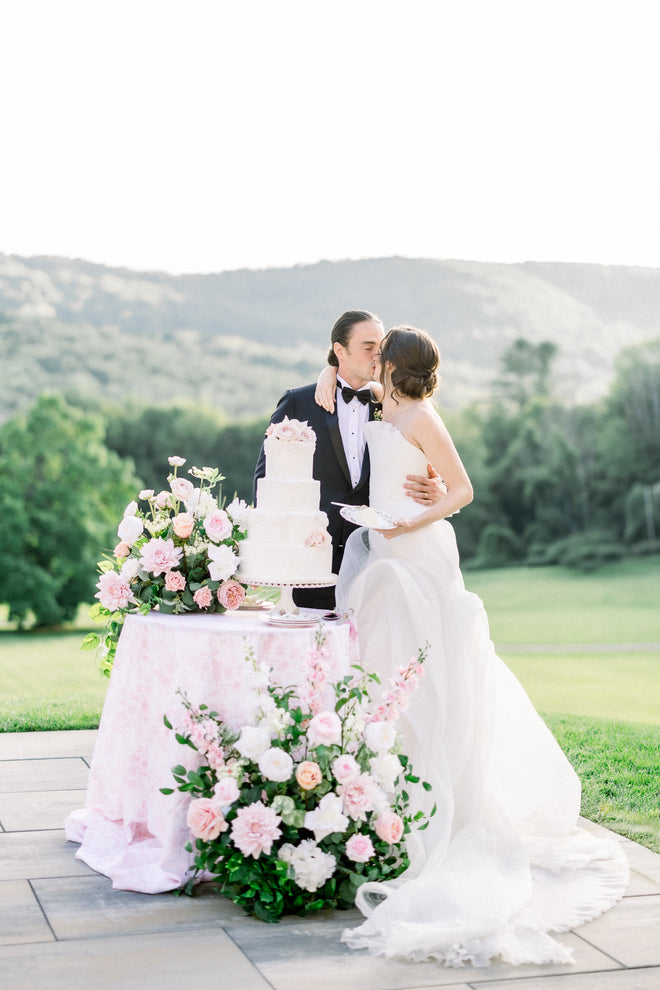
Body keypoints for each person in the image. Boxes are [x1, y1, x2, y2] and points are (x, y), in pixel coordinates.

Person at [314, 325, 629, 967]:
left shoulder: (423, 415)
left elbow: (463, 490)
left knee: (428, 674)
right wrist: (327, 373)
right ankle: (385, 794)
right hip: (381, 549)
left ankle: (437, 804)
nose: (372, 360)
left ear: (399, 367)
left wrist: (415, 517)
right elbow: (338, 377)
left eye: (382, 354)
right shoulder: (383, 403)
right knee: (384, 671)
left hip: (417, 552)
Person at [254, 310, 444, 609]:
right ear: (339, 350)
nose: (377, 356)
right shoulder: (298, 403)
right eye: (368, 347)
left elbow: (428, 464)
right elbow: (267, 479)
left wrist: (439, 489)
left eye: (381, 349)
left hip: (379, 555)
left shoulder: (395, 404)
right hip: (312, 560)